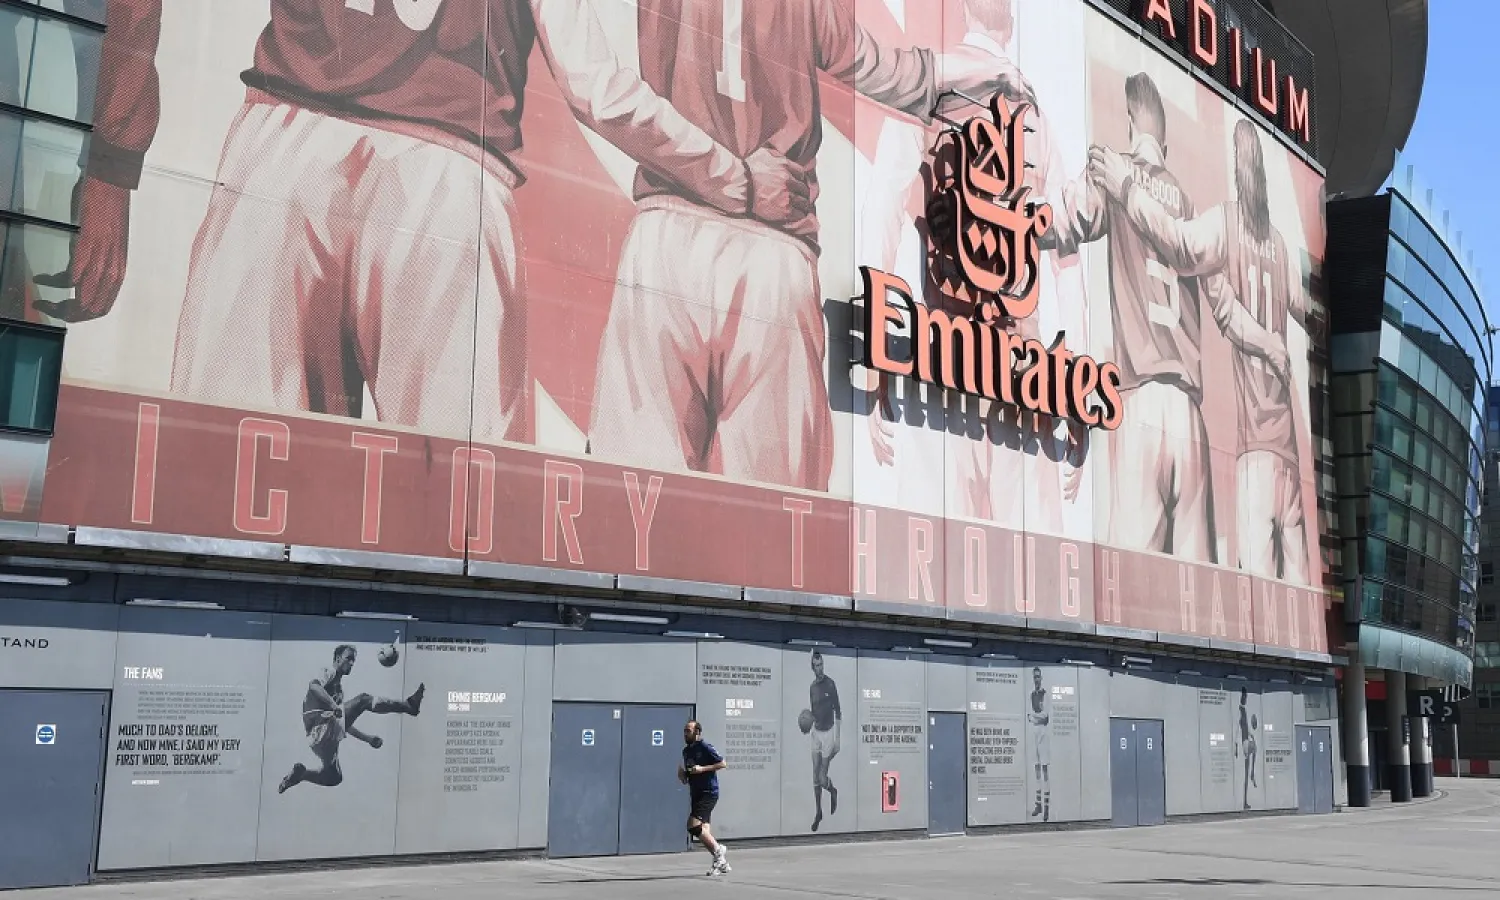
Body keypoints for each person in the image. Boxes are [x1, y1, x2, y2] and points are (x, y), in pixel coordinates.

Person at [65, 0, 809, 446]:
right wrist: (735, 178)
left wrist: (114, 162)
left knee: (226, 486)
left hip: (280, 153)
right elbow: (598, 90)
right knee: (462, 519)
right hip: (445, 183)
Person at [589, 0, 1039, 490]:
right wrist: (980, 69)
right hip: (773, 248)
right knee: (777, 531)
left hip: (669, 230)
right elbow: (882, 69)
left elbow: (594, 83)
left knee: (628, 506)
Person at [1041, 71, 1290, 563]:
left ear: (1131, 119)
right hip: (1190, 418)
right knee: (1195, 599)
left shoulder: (1113, 175)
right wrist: (1273, 346)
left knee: (1128, 582)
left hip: (1140, 406)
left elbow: (1058, 224)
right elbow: (1226, 309)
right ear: (1165, 137)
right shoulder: (1188, 204)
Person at [1091, 118, 1315, 584]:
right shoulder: (1278, 247)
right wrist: (1277, 343)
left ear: (1235, 165)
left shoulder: (1224, 225)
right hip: (1290, 457)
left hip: (1254, 454)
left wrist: (1128, 187)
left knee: (1248, 608)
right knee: (1292, 620)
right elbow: (1300, 311)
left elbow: (1182, 247)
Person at [277, 645, 425, 792]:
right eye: (349, 659)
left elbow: (343, 722)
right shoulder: (329, 672)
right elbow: (314, 686)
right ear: (337, 658)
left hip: (319, 740)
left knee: (334, 777)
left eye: (354, 660)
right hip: (319, 727)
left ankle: (301, 775)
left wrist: (368, 738)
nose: (352, 663)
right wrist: (334, 705)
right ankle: (408, 706)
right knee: (363, 700)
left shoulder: (339, 691)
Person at [679, 720, 730, 876]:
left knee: (693, 826)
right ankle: (721, 863)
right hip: (696, 792)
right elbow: (690, 773)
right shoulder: (686, 751)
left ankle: (719, 851)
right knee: (705, 830)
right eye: (685, 731)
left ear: (697, 732)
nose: (685, 733)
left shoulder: (705, 747)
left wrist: (702, 769)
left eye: (688, 730)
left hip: (709, 792)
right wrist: (684, 776)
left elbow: (722, 763)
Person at [808, 650, 842, 831]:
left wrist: (838, 738)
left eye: (821, 664)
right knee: (814, 775)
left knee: (822, 777)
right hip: (816, 732)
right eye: (816, 665)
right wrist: (807, 724)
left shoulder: (830, 684)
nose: (819, 668)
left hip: (829, 733)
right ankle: (818, 811)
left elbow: (838, 711)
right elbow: (813, 712)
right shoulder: (812, 687)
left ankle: (832, 790)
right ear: (812, 667)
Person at [1027, 667, 1051, 821]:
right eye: (1034, 677)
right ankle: (1038, 804)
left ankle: (1047, 806)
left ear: (1041, 678)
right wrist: (1035, 717)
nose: (1036, 679)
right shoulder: (1031, 695)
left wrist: (1034, 717)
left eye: (1038, 677)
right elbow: (1028, 715)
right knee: (1036, 767)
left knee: (1044, 768)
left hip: (1043, 731)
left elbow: (1045, 716)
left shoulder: (1045, 694)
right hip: (1034, 731)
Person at [1236, 688, 1259, 809]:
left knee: (1255, 747)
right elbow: (1237, 728)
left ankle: (1252, 773)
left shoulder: (1244, 710)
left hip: (1247, 740)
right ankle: (1251, 774)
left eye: (1246, 697)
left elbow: (1245, 727)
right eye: (1244, 697)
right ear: (1242, 697)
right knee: (1254, 747)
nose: (1245, 699)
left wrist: (1251, 734)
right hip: (1244, 743)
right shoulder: (1240, 711)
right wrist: (1235, 745)